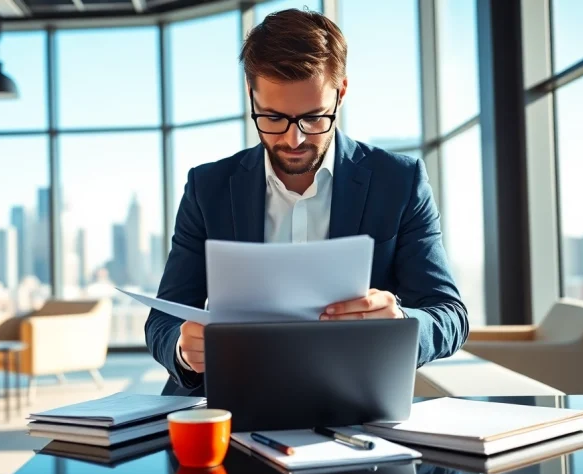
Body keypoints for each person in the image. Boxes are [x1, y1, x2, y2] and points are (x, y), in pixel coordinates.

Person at [145, 8, 468, 397]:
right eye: (274, 117)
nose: (293, 140)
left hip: (352, 403)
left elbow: (449, 315)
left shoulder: (399, 182)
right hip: (223, 406)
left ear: (341, 93)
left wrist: (398, 321)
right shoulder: (208, 187)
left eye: (314, 118)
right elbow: (164, 317)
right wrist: (184, 350)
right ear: (252, 96)